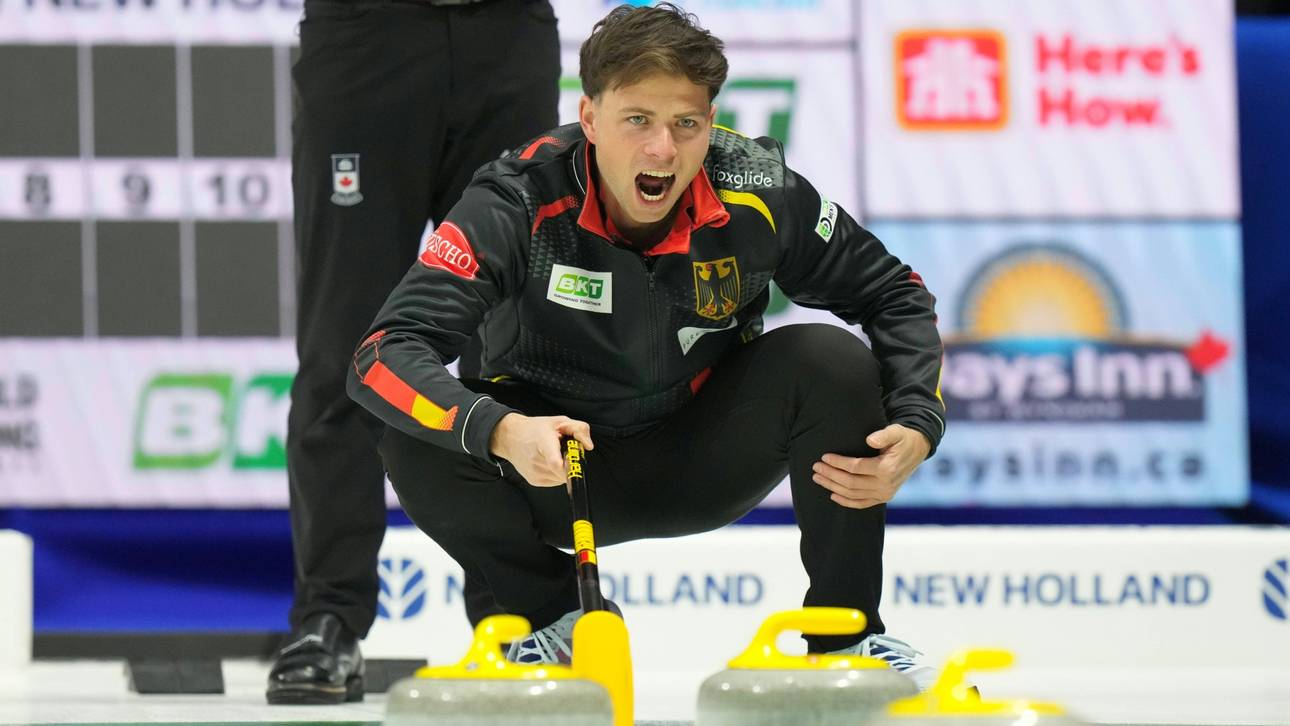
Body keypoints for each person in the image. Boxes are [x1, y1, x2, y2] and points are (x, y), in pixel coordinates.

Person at [347, 2, 948, 690]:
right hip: (560, 471)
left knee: (828, 361)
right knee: (417, 428)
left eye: (686, 124)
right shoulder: (517, 198)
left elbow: (894, 292)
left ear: (710, 124)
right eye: (637, 120)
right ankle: (555, 623)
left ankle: (846, 638)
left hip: (705, 453)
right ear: (590, 118)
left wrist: (919, 420)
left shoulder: (760, 188)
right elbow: (383, 354)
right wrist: (502, 430)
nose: (663, 149)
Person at [270, 0, 560, 705]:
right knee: (346, 342)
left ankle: (515, 617)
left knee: (512, 347)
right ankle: (329, 617)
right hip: (365, 33)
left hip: (506, 34)